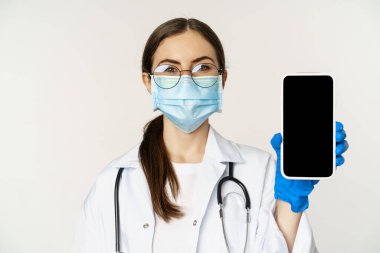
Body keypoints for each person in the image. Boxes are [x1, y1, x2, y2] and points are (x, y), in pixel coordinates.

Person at [72, 17, 349, 253]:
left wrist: (291, 199)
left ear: (222, 79)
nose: (187, 80)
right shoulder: (114, 183)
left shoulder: (260, 170)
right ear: (148, 81)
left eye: (202, 67)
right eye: (170, 69)